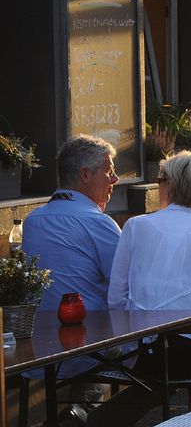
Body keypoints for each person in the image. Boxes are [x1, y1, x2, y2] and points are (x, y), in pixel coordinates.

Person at [92, 152, 191, 426]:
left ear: (170, 185)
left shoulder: (134, 226)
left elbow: (116, 299)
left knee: (159, 371)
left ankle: (97, 420)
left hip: (146, 351)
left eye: (160, 179)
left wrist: (134, 337)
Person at [22, 135, 122, 404]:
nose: (115, 180)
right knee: (156, 357)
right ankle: (83, 413)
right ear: (85, 174)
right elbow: (124, 287)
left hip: (35, 348)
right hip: (86, 350)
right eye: (109, 171)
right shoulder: (98, 223)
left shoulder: (32, 222)